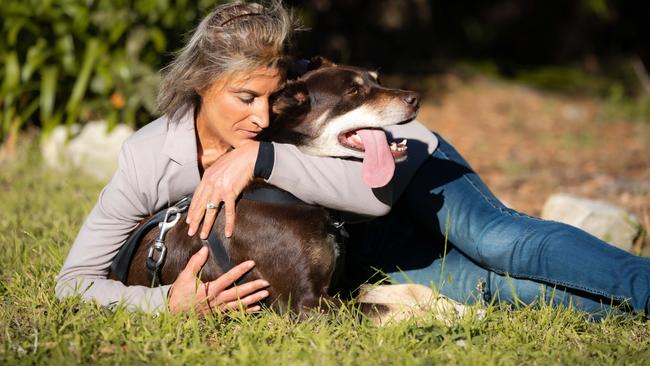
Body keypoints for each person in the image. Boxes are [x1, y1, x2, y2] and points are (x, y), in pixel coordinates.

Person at [57, 1, 650, 318]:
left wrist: (260, 160)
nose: (263, 117)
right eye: (243, 99)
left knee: (502, 244)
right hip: (349, 231)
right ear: (198, 86)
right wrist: (168, 303)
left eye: (272, 97)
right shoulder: (147, 160)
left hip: (400, 170)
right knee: (483, 290)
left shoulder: (291, 105)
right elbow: (74, 285)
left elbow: (372, 191)